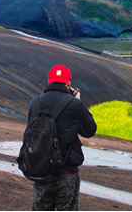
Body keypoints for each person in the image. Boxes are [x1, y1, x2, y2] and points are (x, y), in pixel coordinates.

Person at [30, 65, 97, 211]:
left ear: (49, 81)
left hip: (41, 170)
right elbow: (89, 130)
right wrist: (78, 101)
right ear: (68, 84)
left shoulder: (34, 103)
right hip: (67, 170)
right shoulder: (75, 104)